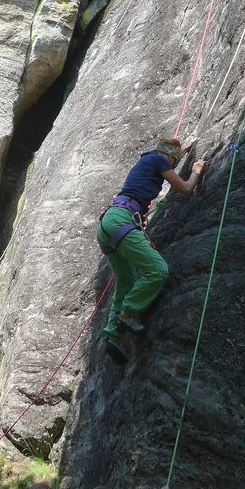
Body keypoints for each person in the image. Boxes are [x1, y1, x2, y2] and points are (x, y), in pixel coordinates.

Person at [97, 138, 206, 364]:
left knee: (126, 280)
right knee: (158, 270)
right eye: (173, 161)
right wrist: (195, 171)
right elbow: (185, 189)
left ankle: (113, 334)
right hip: (122, 221)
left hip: (108, 223)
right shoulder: (158, 160)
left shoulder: (151, 159)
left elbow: (170, 158)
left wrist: (183, 149)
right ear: (169, 158)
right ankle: (128, 313)